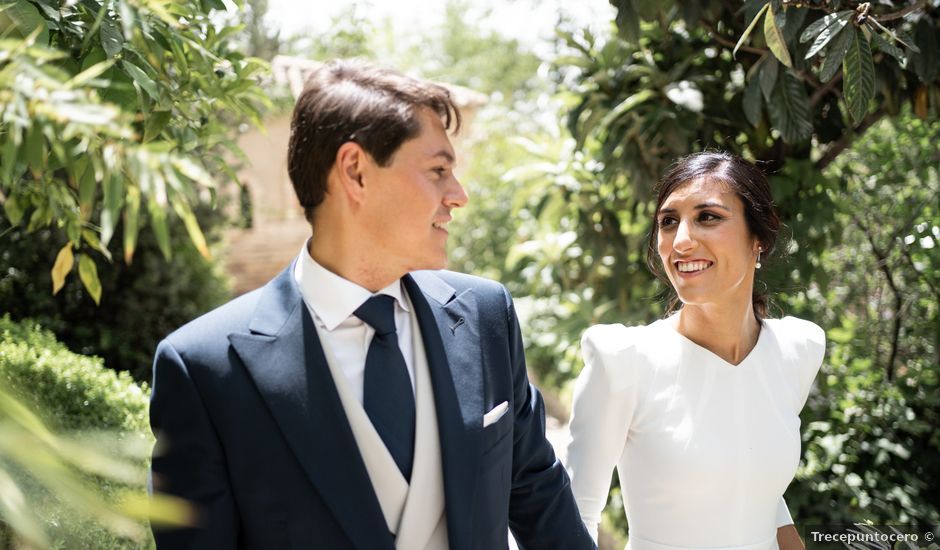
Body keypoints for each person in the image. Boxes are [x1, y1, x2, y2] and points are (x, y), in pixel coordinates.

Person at [149, 60, 595, 549]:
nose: (459, 195)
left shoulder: (486, 315)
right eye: (438, 170)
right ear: (356, 172)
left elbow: (537, 491)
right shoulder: (205, 369)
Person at [565, 151, 825, 550]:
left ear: (758, 239)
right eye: (669, 222)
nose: (681, 241)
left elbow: (757, 492)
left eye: (708, 217)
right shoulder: (624, 361)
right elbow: (573, 519)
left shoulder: (798, 349)